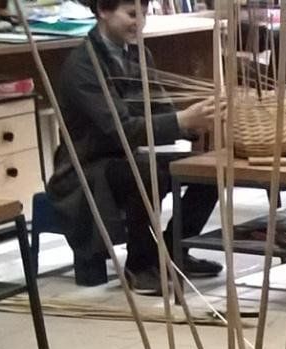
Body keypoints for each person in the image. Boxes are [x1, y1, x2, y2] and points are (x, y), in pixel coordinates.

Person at [49, 0, 221, 293]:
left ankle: (171, 251)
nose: (139, 22)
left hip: (127, 157)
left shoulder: (140, 54)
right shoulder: (83, 66)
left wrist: (197, 122)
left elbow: (160, 108)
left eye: (143, 14)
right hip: (88, 166)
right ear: (103, 11)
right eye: (131, 14)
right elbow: (121, 129)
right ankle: (138, 266)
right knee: (146, 171)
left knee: (211, 168)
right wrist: (181, 120)